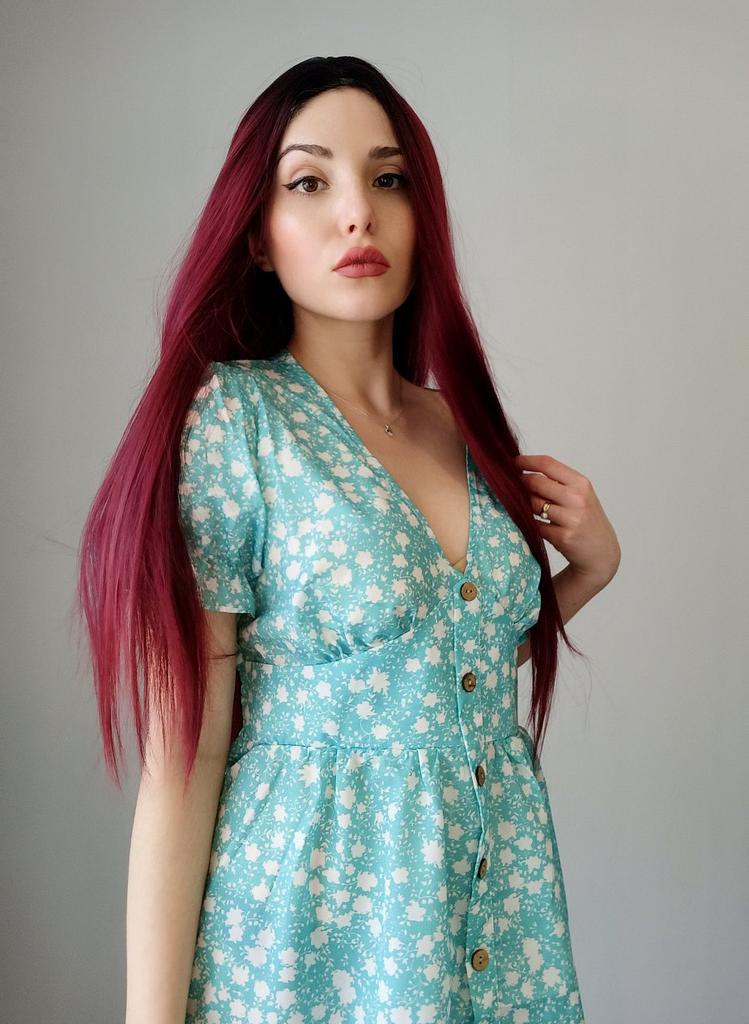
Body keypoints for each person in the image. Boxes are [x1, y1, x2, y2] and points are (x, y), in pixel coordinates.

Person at [76, 55, 620, 1024]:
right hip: (312, 940)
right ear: (257, 236)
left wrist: (591, 570)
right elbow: (186, 756)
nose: (357, 214)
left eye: (387, 178)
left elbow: (437, 667)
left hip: (495, 921)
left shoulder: (460, 425)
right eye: (309, 182)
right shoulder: (237, 422)